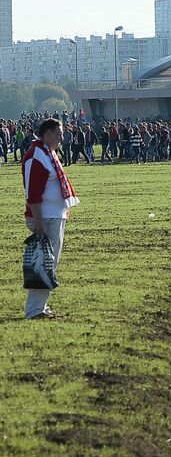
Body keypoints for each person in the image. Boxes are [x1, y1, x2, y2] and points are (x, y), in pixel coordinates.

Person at [22, 118, 80, 319]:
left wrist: (63, 208)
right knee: (43, 264)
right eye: (59, 133)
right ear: (47, 133)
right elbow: (32, 193)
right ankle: (34, 310)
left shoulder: (48, 153)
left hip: (53, 216)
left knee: (49, 263)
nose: (62, 137)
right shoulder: (36, 156)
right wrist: (37, 220)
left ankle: (41, 307)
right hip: (44, 217)